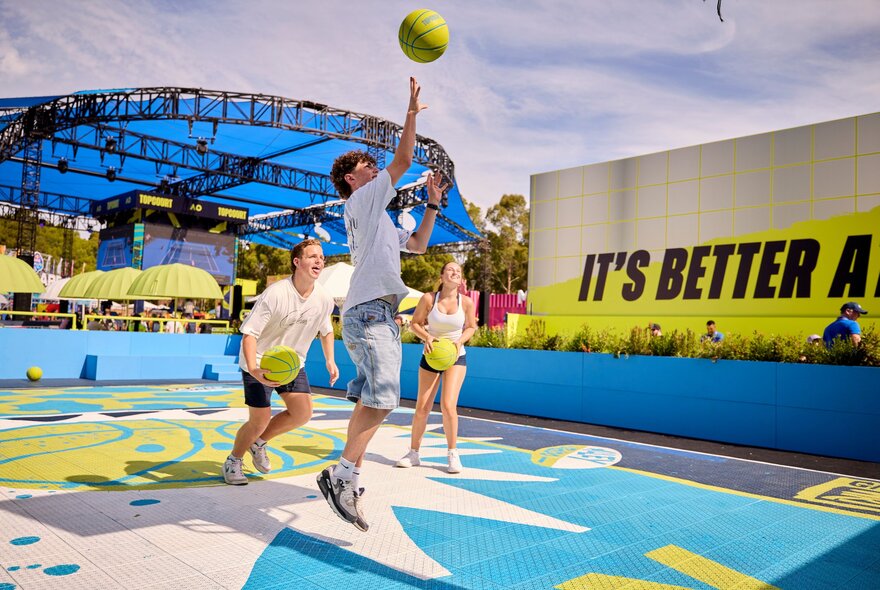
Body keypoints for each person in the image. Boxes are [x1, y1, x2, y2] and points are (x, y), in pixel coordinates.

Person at [316, 77, 447, 532]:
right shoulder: (363, 198)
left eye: (375, 166)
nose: (377, 170)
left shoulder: (379, 217)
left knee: (372, 399)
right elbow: (406, 159)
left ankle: (343, 475)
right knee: (385, 397)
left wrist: (432, 203)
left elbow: (418, 244)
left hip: (377, 313)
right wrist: (410, 114)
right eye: (369, 166)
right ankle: (343, 475)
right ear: (352, 180)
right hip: (370, 311)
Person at [222, 238, 339, 486]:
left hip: (291, 363)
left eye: (321, 256)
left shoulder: (324, 299)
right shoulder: (276, 293)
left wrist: (331, 360)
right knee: (259, 419)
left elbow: (326, 330)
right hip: (261, 361)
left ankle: (259, 442)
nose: (319, 260)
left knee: (303, 413)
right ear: (297, 262)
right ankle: (234, 460)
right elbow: (249, 334)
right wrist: (254, 368)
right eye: (312, 256)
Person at [396, 261, 476, 473]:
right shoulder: (429, 298)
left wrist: (459, 342)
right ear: (441, 276)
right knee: (422, 407)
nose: (454, 272)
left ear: (461, 279)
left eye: (458, 271)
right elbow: (415, 323)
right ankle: (413, 453)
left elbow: (471, 327)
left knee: (448, 406)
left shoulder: (466, 302)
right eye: (450, 269)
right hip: (431, 356)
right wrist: (428, 336)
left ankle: (452, 454)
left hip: (455, 357)